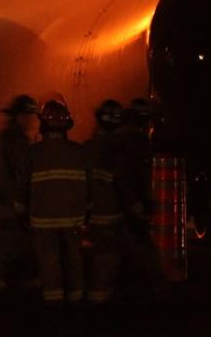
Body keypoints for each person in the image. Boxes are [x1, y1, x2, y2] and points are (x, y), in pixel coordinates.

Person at [27, 97, 88, 306]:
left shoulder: (33, 153)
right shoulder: (78, 152)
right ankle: (77, 300)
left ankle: (54, 303)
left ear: (42, 123)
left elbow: (21, 187)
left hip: (43, 220)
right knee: (74, 259)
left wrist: (19, 210)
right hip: (72, 219)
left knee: (49, 260)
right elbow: (86, 187)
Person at [0, 94, 37, 292]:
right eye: (27, 115)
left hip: (7, 202)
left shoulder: (7, 137)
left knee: (15, 242)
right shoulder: (15, 140)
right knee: (9, 242)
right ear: (18, 116)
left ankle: (0, 281)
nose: (31, 120)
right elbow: (22, 172)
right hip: (12, 204)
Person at [117, 96, 164, 295]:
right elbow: (129, 174)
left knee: (134, 245)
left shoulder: (126, 138)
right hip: (132, 203)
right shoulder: (136, 141)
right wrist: (137, 202)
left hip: (128, 202)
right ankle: (146, 287)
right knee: (139, 247)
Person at [84, 99, 128, 305]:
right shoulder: (114, 148)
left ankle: (97, 294)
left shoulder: (89, 147)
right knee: (108, 255)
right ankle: (98, 296)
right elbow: (119, 180)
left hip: (94, 211)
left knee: (102, 253)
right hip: (109, 211)